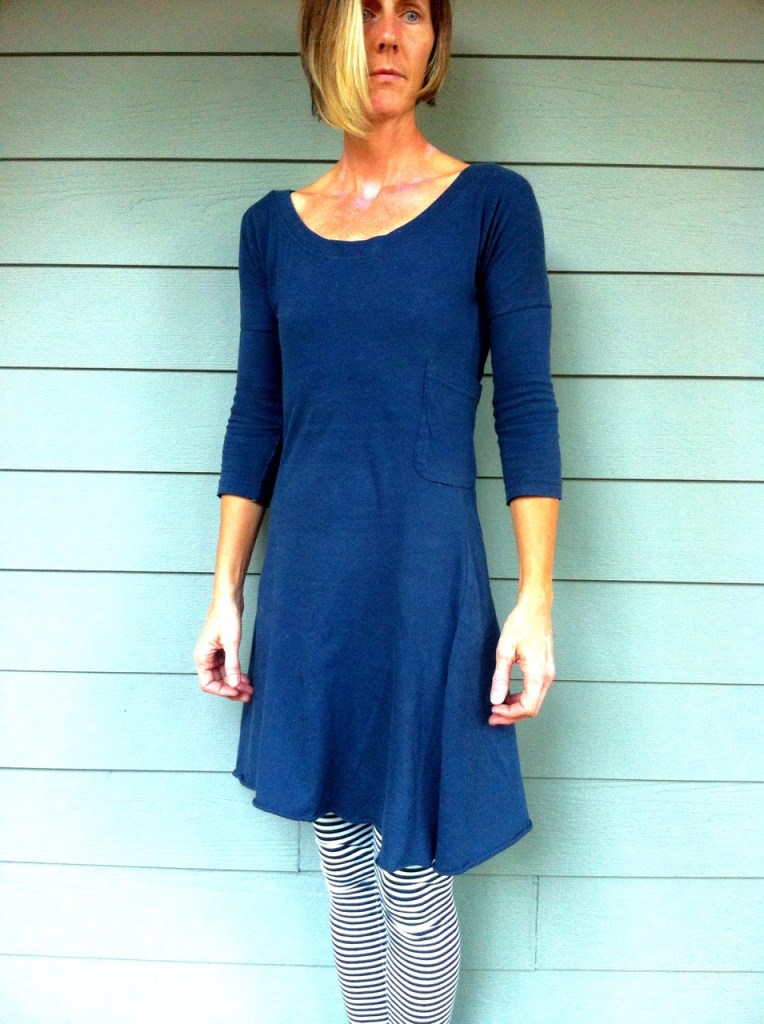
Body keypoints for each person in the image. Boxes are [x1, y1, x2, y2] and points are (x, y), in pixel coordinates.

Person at [193, 1, 561, 1020]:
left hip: (424, 584)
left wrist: (534, 600)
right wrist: (224, 593)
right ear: (327, 36)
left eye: (413, 12)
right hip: (310, 584)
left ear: (435, 40)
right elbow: (257, 415)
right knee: (344, 864)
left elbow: (526, 408)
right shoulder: (271, 228)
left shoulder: (491, 206)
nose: (390, 35)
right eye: (367, 11)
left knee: (411, 879)